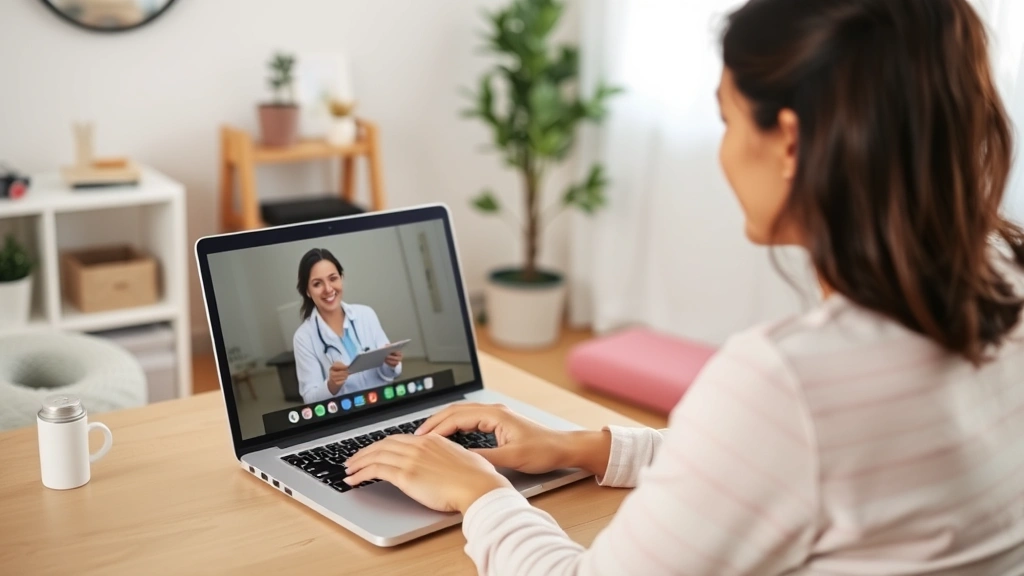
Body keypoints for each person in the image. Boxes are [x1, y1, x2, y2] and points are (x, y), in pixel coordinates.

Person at [343, 0, 1024, 573]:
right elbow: (779, 465)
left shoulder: (791, 381)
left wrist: (478, 492)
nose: (724, 148)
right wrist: (584, 447)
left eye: (727, 120)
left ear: (789, 142)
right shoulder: (1006, 275)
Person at [292, 248, 402, 404]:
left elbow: (389, 375)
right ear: (307, 292)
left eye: (333, 278)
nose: (328, 289)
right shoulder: (303, 337)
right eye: (317, 284)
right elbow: (310, 399)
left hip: (384, 403)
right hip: (346, 415)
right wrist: (331, 385)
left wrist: (391, 364)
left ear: (341, 278)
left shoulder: (366, 314)